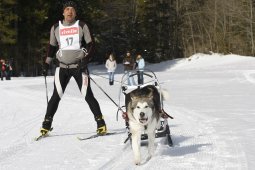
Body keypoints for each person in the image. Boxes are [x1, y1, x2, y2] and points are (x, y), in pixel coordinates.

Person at [40, 1, 107, 136]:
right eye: (67, 9)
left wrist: (86, 60)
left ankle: (101, 124)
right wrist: (46, 63)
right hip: (62, 68)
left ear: (75, 13)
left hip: (78, 67)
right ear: (63, 12)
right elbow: (51, 48)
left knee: (88, 95)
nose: (69, 12)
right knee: (56, 96)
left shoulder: (82, 25)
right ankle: (46, 126)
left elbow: (91, 45)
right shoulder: (55, 27)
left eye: (72, 9)